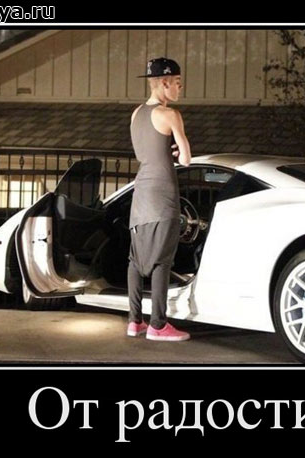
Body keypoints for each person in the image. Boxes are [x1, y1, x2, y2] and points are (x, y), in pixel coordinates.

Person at [126, 57, 192, 341]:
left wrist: (167, 151)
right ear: (164, 83)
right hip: (163, 192)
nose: (180, 88)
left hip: (141, 192)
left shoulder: (136, 113)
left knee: (135, 259)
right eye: (177, 83)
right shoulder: (171, 114)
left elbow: (146, 152)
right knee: (162, 260)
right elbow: (186, 159)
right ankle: (158, 325)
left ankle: (134, 322)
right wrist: (178, 151)